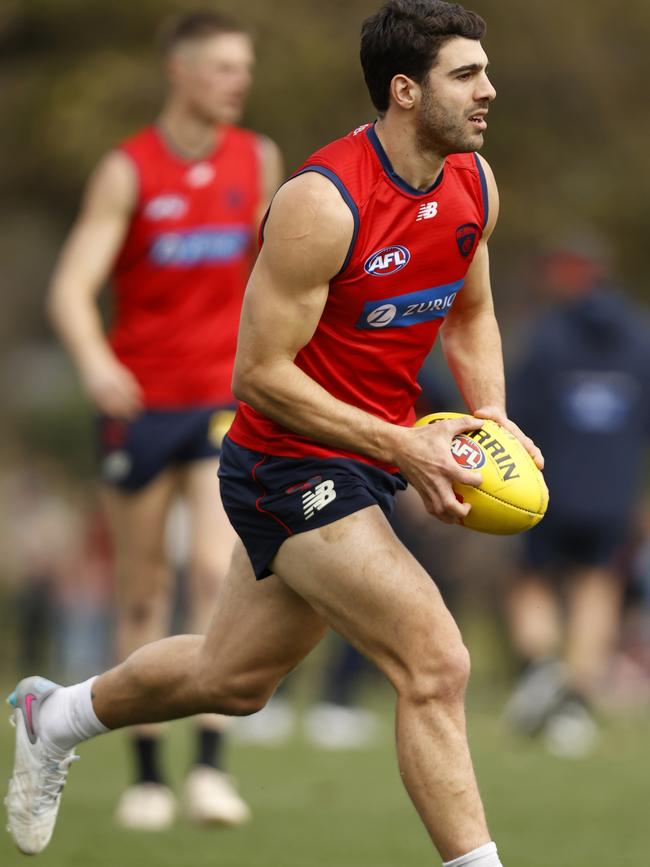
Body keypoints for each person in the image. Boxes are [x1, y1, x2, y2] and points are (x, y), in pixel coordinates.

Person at [7, 2, 543, 864]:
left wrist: (490, 419)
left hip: (367, 455)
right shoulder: (320, 203)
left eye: (484, 71)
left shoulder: (471, 183)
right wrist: (404, 443)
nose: (489, 89)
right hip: (286, 462)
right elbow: (259, 376)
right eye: (466, 74)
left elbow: (471, 314)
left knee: (236, 679)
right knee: (435, 660)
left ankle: (52, 715)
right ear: (405, 91)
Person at [43, 10, 283, 830]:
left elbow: (277, 278)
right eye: (223, 67)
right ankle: (147, 776)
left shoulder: (256, 160)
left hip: (225, 400)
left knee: (218, 576)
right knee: (142, 587)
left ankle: (210, 770)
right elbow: (71, 288)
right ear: (180, 72)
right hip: (141, 405)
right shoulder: (127, 170)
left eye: (243, 68)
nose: (238, 82)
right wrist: (97, 365)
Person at [503, 241, 650, 756]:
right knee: (598, 585)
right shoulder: (641, 337)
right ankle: (574, 700)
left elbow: (514, 416)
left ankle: (544, 669)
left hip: (544, 488)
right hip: (612, 493)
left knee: (530, 580)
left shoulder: (547, 335)